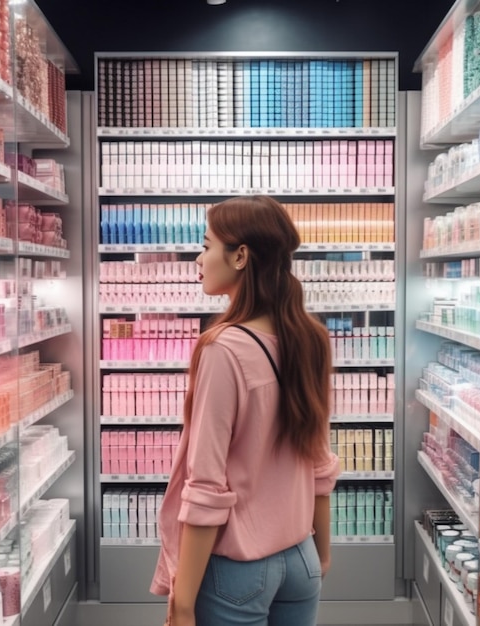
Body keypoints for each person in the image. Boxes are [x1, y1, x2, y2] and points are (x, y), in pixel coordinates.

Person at [150, 195, 340, 626]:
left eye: (205, 244)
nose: (199, 258)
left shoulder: (223, 348)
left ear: (240, 256)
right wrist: (322, 555)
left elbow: (206, 485)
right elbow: (319, 463)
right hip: (301, 556)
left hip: (238, 568)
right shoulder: (310, 337)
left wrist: (182, 603)